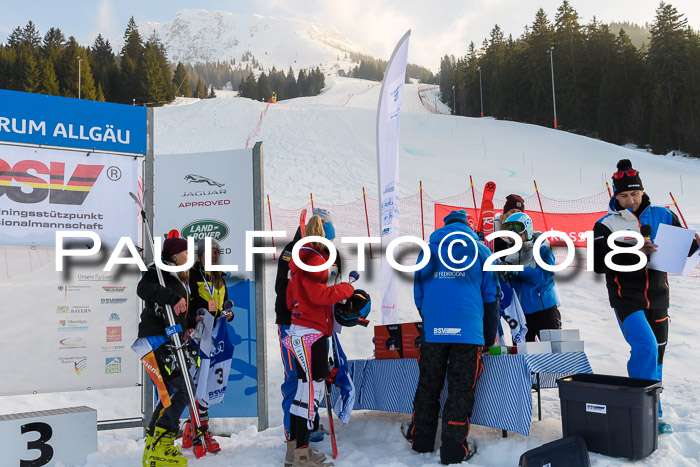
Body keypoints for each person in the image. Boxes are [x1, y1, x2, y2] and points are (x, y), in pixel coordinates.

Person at [593, 159, 700, 435]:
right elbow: (599, 262)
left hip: (658, 297)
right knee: (646, 347)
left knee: (658, 356)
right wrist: (635, 252)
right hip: (625, 297)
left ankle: (655, 413)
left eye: (635, 194)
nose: (630, 200)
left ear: (643, 191)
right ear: (615, 196)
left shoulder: (664, 215)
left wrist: (694, 245)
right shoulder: (606, 224)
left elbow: (685, 253)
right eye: (624, 195)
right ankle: (640, 412)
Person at [403, 210, 500, 464]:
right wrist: (489, 337)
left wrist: (430, 322)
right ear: (467, 226)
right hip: (467, 333)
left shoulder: (427, 252)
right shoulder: (481, 251)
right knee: (460, 390)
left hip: (435, 332)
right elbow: (491, 296)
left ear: (443, 227)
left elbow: (419, 295)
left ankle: (421, 442)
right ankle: (454, 450)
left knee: (428, 385)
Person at [284, 214, 354, 466]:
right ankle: (301, 453)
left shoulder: (299, 257)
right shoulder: (314, 258)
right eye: (331, 239)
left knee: (304, 391)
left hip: (301, 329)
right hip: (311, 332)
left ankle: (295, 450)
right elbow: (317, 295)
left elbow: (290, 298)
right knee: (309, 392)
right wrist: (345, 290)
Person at [276, 209, 336, 466]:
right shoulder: (297, 252)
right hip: (295, 324)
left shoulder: (310, 253)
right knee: (298, 383)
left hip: (308, 324)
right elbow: (288, 289)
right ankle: (295, 446)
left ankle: (301, 444)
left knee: (307, 384)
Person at [134, 236, 193, 467]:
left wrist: (186, 328)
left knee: (181, 388)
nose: (189, 257)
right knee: (176, 388)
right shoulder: (158, 270)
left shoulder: (180, 275)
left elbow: (176, 310)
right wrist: (173, 296)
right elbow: (143, 289)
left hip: (173, 338)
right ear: (175, 254)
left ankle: (156, 442)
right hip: (156, 338)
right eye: (185, 253)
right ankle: (160, 443)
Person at [181, 237, 234, 454]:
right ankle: (201, 429)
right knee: (198, 384)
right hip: (197, 337)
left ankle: (189, 430)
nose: (213, 255)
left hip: (215, 338)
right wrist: (197, 316)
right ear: (200, 255)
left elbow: (223, 306)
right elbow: (188, 305)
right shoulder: (192, 275)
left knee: (209, 383)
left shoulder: (220, 278)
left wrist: (228, 315)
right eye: (209, 252)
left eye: (216, 252)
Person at [500, 212, 561, 341]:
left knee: (553, 353)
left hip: (544, 312)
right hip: (521, 316)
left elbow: (542, 278)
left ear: (527, 231)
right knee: (522, 355)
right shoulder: (510, 256)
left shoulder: (543, 250)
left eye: (518, 233)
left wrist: (515, 270)